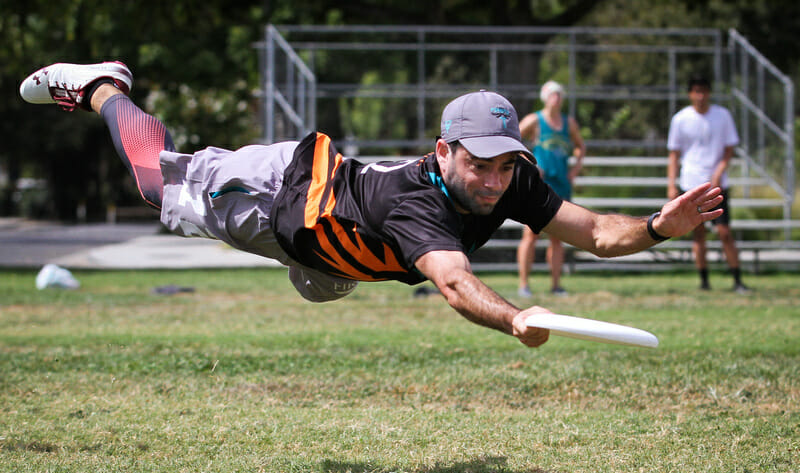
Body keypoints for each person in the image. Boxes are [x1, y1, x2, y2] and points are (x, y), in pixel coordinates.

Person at [20, 61, 724, 348]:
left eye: (504, 165)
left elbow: (597, 231)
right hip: (277, 198)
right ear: (443, 150)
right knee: (153, 180)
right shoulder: (416, 201)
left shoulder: (512, 177)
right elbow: (452, 284)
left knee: (324, 284)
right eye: (476, 163)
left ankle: (325, 265)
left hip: (337, 248)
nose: (491, 182)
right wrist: (515, 316)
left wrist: (662, 225)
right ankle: (104, 85)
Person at [667, 75, 749, 293]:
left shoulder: (722, 116)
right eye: (696, 91)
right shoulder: (681, 119)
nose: (700, 96)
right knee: (698, 232)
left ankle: (737, 280)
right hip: (691, 182)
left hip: (717, 185)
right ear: (690, 94)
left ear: (709, 93)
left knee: (724, 232)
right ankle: (704, 281)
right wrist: (671, 184)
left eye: (704, 91)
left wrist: (719, 172)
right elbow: (674, 154)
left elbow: (729, 149)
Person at [516, 81, 585, 297]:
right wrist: (529, 167)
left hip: (561, 186)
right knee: (530, 234)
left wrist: (574, 171)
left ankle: (556, 285)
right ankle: (524, 285)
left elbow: (580, 147)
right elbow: (511, 142)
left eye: (560, 95)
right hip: (538, 187)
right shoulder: (534, 120)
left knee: (557, 238)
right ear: (545, 97)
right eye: (553, 94)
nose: (557, 98)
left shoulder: (568, 123)